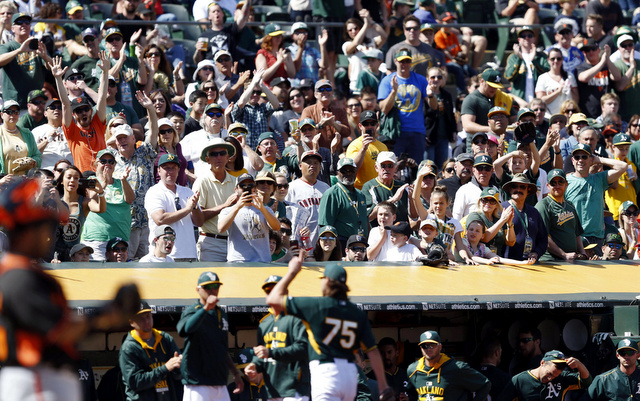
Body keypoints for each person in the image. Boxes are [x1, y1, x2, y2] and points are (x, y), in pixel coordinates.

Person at [0, 178, 139, 401]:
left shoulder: (30, 273)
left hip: (45, 377)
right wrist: (109, 313)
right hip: (34, 378)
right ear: (26, 228)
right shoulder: (17, 277)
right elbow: (61, 330)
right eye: (45, 225)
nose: (49, 233)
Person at [266, 258, 392, 401]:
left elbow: (273, 299)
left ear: (326, 281)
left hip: (326, 371)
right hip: (350, 374)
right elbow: (373, 351)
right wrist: (383, 386)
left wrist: (292, 272)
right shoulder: (357, 312)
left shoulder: (316, 305)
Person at [177, 272, 244, 400]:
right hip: (197, 382)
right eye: (208, 287)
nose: (212, 290)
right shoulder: (192, 310)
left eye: (216, 286)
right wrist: (206, 308)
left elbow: (222, 347)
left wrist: (235, 372)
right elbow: (184, 330)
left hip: (219, 380)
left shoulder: (221, 313)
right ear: (198, 289)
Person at [245, 275, 310, 401]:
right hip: (272, 389)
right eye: (268, 291)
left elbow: (303, 348)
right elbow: (261, 353)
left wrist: (270, 352)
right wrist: (254, 365)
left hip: (295, 389)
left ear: (285, 292)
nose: (272, 293)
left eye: (276, 290)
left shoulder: (297, 317)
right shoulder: (264, 323)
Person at [51, 53, 109, 173]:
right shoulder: (71, 131)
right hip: (84, 178)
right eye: (78, 111)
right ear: (74, 114)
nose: (83, 113)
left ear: (91, 111)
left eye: (86, 109)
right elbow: (65, 104)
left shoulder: (98, 124)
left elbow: (102, 98)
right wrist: (58, 79)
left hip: (104, 175)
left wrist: (105, 72)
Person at [566, 143, 627, 249]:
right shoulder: (565, 181)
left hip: (596, 238)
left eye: (584, 157)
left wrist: (599, 159)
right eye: (577, 157)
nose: (580, 160)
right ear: (572, 160)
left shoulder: (599, 179)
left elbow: (623, 166)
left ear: (591, 160)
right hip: (574, 238)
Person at [119, 301, 183, 401]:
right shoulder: (129, 347)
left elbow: (178, 376)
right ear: (131, 322)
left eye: (148, 316)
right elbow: (135, 383)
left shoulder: (165, 339)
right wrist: (165, 368)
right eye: (140, 318)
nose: (146, 321)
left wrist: (179, 366)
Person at [145, 153, 204, 261]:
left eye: (173, 168)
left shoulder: (187, 191)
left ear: (178, 170)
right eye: (166, 168)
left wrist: (194, 207)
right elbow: (160, 219)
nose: (170, 172)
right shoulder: (154, 192)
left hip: (189, 254)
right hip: (164, 256)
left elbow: (199, 222)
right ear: (159, 171)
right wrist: (187, 209)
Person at [379, 49, 432, 162]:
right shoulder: (387, 81)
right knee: (396, 167)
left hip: (417, 132)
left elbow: (434, 106)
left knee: (416, 168)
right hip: (396, 132)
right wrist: (394, 91)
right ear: (395, 61)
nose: (404, 64)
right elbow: (384, 109)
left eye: (407, 61)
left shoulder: (420, 80)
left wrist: (431, 95)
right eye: (401, 61)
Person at [406, 330, 491, 401]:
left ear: (440, 347)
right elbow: (412, 394)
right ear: (421, 348)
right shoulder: (413, 370)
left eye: (432, 345)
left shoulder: (456, 368)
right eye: (424, 346)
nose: (428, 349)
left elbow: (485, 384)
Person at [82, 148, 134, 260]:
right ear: (96, 164)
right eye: (103, 161)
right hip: (97, 238)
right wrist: (103, 185)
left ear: (115, 165)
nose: (107, 164)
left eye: (111, 162)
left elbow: (130, 200)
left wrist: (124, 180)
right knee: (98, 274)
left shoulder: (120, 182)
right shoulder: (91, 181)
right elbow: (91, 202)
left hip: (120, 239)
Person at [193, 138, 240, 262]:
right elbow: (198, 218)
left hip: (235, 244)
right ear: (207, 159)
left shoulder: (236, 181)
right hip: (211, 244)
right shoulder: (201, 181)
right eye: (214, 154)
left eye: (222, 153)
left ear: (228, 157)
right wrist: (225, 205)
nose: (218, 157)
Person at [218, 173, 281, 263]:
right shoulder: (228, 211)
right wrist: (237, 207)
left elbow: (276, 227)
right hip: (238, 261)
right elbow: (221, 229)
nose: (246, 188)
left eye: (250, 185)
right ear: (236, 189)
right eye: (243, 186)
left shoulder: (265, 209)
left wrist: (262, 209)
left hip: (262, 261)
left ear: (255, 189)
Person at [0, 13, 52, 108]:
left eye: (27, 22)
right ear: (12, 29)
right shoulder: (7, 46)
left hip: (36, 101)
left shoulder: (37, 45)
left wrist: (45, 57)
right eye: (19, 22)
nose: (24, 24)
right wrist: (19, 50)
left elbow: (52, 68)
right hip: (14, 102)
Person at [535, 169, 586, 261]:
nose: (557, 186)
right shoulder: (543, 205)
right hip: (551, 261)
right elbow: (542, 237)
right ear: (547, 186)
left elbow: (577, 233)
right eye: (553, 183)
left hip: (571, 259)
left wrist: (583, 253)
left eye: (560, 182)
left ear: (566, 184)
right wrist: (564, 255)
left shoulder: (570, 205)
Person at [499, 350, 591, 401]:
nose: (550, 378)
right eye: (549, 374)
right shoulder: (520, 380)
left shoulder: (562, 378)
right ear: (542, 363)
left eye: (555, 376)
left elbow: (587, 381)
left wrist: (579, 365)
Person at [318, 158, 369, 245]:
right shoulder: (331, 194)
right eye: (344, 171)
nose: (348, 173)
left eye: (351, 170)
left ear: (356, 172)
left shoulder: (361, 195)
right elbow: (325, 227)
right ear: (337, 173)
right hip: (341, 243)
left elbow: (365, 220)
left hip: (361, 242)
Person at [501, 174, 548, 263]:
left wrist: (536, 253)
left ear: (528, 191)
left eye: (522, 187)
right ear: (510, 189)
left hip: (530, 264)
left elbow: (543, 239)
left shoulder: (534, 212)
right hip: (506, 264)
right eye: (514, 186)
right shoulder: (501, 209)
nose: (518, 190)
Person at [286, 151, 330, 245]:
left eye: (316, 163)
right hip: (299, 240)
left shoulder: (326, 188)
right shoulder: (291, 188)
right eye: (309, 162)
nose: (312, 165)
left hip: (323, 241)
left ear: (320, 167)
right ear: (301, 166)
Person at [460, 68, 517, 136]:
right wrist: (493, 129)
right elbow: (467, 126)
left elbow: (514, 118)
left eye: (496, 86)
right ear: (482, 81)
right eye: (491, 86)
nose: (494, 89)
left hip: (500, 142)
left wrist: (514, 124)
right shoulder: (471, 99)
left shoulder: (503, 97)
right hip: (479, 143)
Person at [362, 151, 413, 225]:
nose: (386, 169)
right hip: (379, 233)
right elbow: (369, 216)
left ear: (396, 168)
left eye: (390, 166)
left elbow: (414, 216)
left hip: (400, 234)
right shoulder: (369, 186)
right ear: (376, 168)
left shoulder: (402, 187)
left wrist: (412, 199)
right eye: (383, 166)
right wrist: (393, 200)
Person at [300, 79, 350, 154]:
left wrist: (334, 123)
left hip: (336, 155)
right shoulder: (308, 111)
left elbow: (347, 132)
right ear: (315, 94)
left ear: (332, 92)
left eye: (328, 89)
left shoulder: (340, 111)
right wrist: (321, 125)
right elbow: (303, 134)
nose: (325, 91)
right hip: (316, 155)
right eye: (321, 89)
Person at [576, 40, 621, 118]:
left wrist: (607, 59)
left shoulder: (606, 66)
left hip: (607, 113)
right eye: (587, 50)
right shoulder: (581, 68)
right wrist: (602, 62)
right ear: (584, 53)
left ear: (599, 50)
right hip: (588, 113)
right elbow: (584, 78)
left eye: (593, 49)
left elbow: (617, 77)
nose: (590, 52)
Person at [504, 26, 549, 103]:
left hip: (538, 102)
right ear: (519, 40)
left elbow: (548, 74)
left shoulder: (542, 56)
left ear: (534, 38)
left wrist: (534, 60)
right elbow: (509, 76)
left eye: (530, 36)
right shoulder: (513, 57)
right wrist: (519, 59)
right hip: (520, 101)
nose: (526, 38)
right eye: (523, 36)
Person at [466, 187, 515, 257]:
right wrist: (502, 220)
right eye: (485, 200)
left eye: (492, 201)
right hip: (479, 259)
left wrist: (510, 224)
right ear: (480, 202)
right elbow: (484, 237)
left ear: (496, 205)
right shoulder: (474, 216)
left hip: (497, 259)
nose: (488, 203)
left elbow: (511, 242)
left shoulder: (498, 220)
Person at [346, 110, 389, 190]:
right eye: (366, 124)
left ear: (377, 125)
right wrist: (363, 149)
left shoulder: (383, 146)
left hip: (381, 189)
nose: (369, 126)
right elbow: (352, 168)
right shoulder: (354, 145)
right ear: (360, 126)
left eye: (372, 124)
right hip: (362, 190)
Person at [0, 100, 41, 175]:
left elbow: (37, 155)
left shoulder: (27, 134)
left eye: (16, 112)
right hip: (4, 183)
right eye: (9, 112)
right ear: (2, 114)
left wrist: (32, 161)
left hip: (24, 182)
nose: (13, 114)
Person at [452, 154, 498, 220]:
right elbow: (457, 217)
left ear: (492, 170)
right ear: (473, 170)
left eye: (487, 169)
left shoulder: (495, 190)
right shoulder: (464, 190)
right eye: (480, 168)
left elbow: (499, 214)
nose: (483, 172)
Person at [534, 48, 579, 116]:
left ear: (562, 59)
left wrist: (570, 89)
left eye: (559, 58)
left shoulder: (569, 76)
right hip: (549, 117)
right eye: (553, 59)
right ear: (548, 60)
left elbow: (576, 100)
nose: (556, 61)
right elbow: (540, 102)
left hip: (567, 116)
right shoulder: (543, 78)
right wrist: (558, 91)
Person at [32, 98, 74, 170]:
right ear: (45, 113)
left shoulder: (72, 130)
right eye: (52, 107)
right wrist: (47, 141)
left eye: (60, 107)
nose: (56, 110)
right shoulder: (37, 131)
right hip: (47, 173)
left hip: (68, 174)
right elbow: (32, 154)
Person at [613, 34, 640, 122]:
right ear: (619, 49)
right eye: (624, 46)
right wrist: (632, 67)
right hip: (623, 116)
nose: (627, 48)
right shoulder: (616, 65)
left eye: (630, 45)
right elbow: (620, 86)